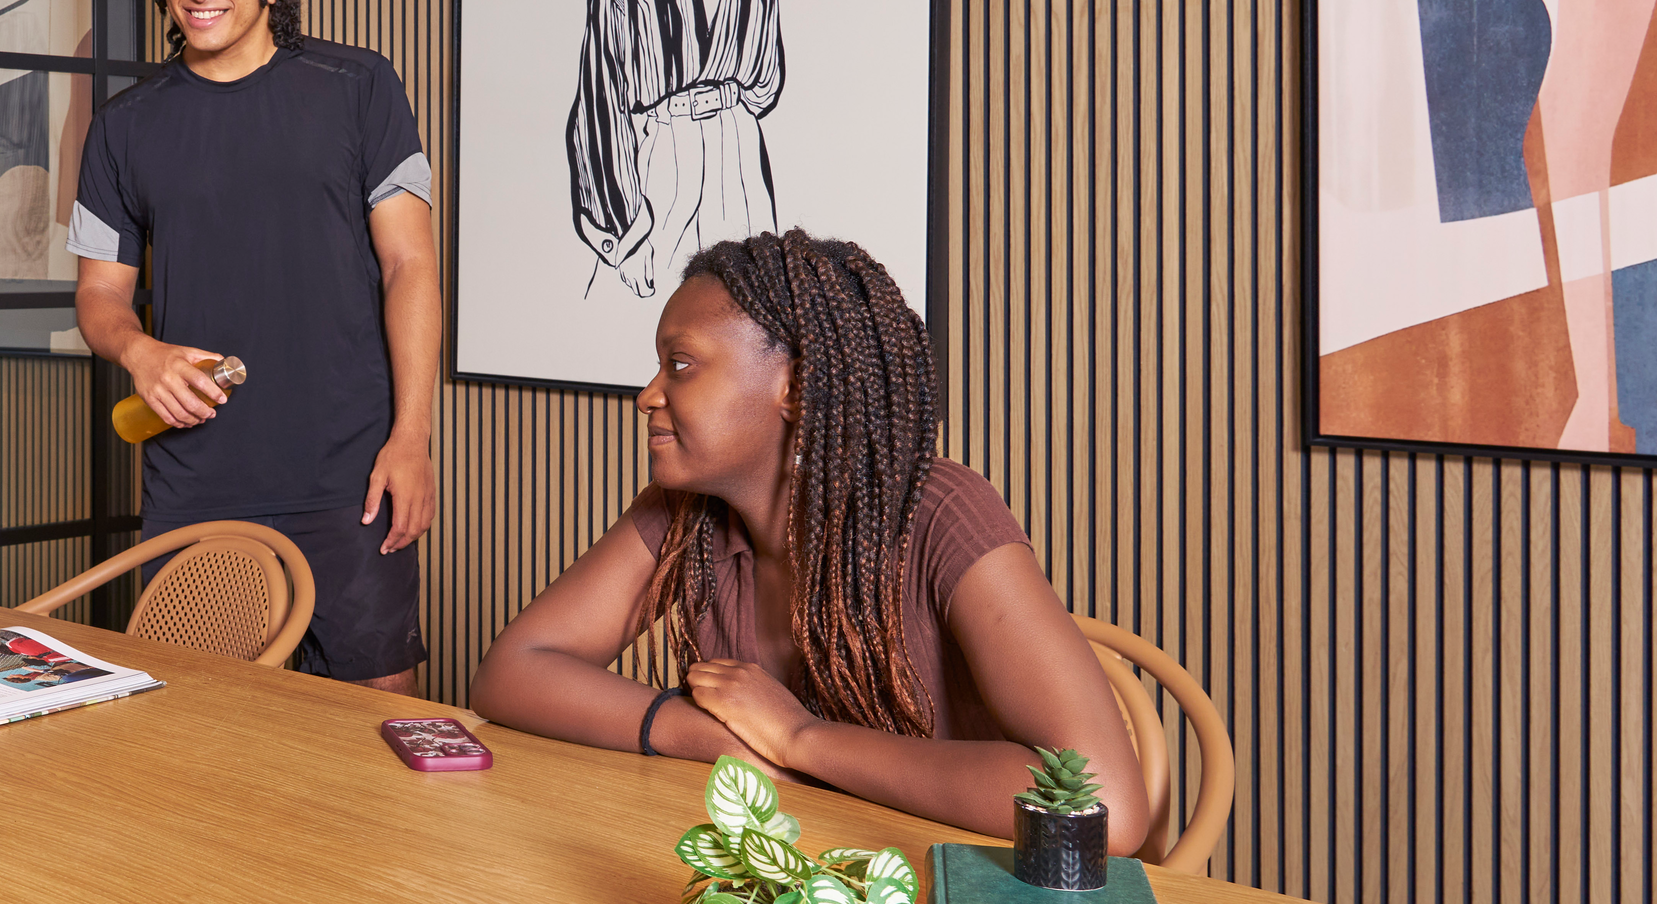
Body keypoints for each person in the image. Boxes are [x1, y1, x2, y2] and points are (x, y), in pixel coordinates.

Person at [470, 230, 1150, 850]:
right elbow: (510, 671)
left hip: (941, 899)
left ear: (793, 386)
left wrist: (800, 738)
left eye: (679, 365)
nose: (648, 394)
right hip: (789, 885)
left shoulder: (940, 510)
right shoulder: (683, 514)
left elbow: (1104, 803)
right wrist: (704, 734)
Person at [70, 0, 441, 691]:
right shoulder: (123, 127)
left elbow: (411, 265)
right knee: (204, 729)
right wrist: (140, 351)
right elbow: (98, 295)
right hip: (196, 485)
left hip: (353, 480)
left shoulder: (360, 88)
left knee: (379, 721)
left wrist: (410, 438)